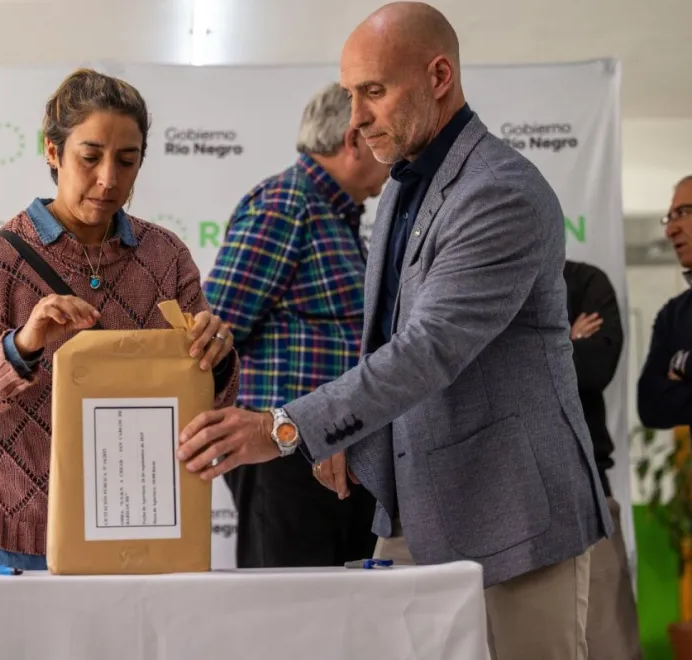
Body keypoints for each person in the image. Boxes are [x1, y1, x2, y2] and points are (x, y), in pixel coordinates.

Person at [176, 3, 611, 659]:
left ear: (438, 76)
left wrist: (286, 424)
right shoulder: (405, 189)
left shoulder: (499, 191)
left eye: (373, 92)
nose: (355, 118)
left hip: (515, 515)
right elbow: (380, 340)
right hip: (413, 511)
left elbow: (429, 349)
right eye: (352, 95)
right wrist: (353, 431)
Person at [0, 68, 240, 572]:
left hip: (141, 523)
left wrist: (215, 361)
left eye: (127, 161)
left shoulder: (165, 256)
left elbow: (206, 405)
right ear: (52, 152)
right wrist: (18, 349)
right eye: (90, 157)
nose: (109, 180)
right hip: (18, 534)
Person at [204, 82, 387, 568]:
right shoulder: (286, 203)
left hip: (330, 454)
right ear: (352, 141)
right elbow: (213, 335)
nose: (390, 151)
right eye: (377, 132)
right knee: (286, 622)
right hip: (284, 461)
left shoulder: (335, 212)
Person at [564, 260, 642, 660]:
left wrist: (540, 353)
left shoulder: (585, 281)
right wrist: (567, 343)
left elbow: (595, 369)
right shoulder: (486, 284)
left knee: (609, 638)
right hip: (508, 493)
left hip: (586, 483)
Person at [638, 175, 692, 429]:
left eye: (682, 212)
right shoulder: (673, 315)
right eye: (669, 217)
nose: (670, 230)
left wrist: (684, 365)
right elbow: (650, 406)